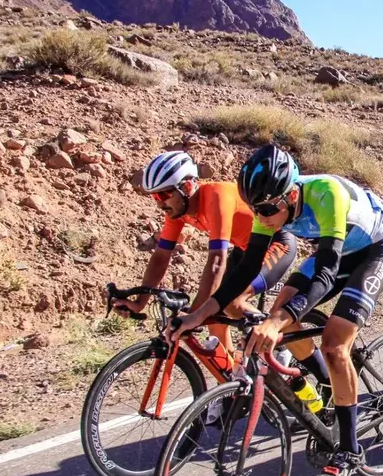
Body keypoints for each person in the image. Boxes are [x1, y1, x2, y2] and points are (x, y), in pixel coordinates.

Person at [168, 145, 383, 476]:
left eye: (265, 209)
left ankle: (350, 450)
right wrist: (198, 315)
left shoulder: (326, 195)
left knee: (335, 344)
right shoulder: (268, 208)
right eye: (254, 209)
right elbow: (243, 271)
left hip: (374, 251)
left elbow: (324, 275)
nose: (260, 217)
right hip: (337, 253)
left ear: (290, 194)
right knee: (282, 312)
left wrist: (275, 324)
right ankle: (323, 382)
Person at [113, 151, 297, 355]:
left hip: (276, 243)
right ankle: (233, 381)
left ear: (187, 187)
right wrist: (140, 302)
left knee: (230, 302)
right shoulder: (176, 211)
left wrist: (192, 315)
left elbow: (217, 261)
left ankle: (278, 343)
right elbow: (161, 256)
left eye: (164, 195)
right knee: (215, 319)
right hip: (245, 249)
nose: (159, 203)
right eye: (155, 196)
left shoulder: (216, 196)